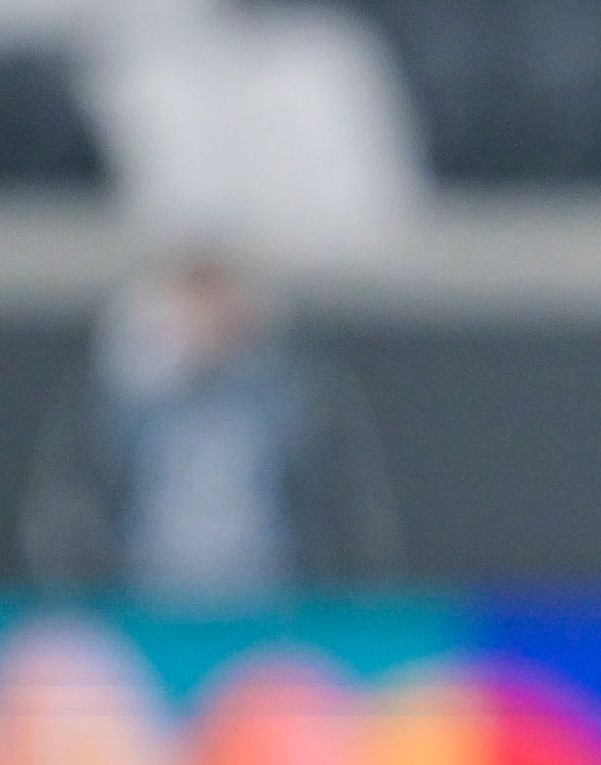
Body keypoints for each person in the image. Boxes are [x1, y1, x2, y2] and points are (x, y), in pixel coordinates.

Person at [20, 249, 396, 605]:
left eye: (219, 309)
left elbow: (343, 508)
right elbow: (68, 508)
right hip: (145, 605)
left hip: (270, 605)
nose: (207, 325)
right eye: (193, 308)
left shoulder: (294, 396)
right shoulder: (116, 398)